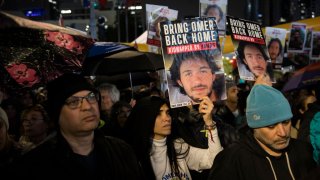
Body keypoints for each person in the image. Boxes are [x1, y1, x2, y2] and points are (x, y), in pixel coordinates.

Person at [9, 73, 144, 179]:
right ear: (57, 114)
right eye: (74, 102)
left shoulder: (122, 150)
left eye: (91, 97)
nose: (87, 106)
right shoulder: (34, 166)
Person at [208, 79, 317, 180]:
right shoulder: (231, 162)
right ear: (254, 126)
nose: (283, 133)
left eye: (286, 122)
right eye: (271, 126)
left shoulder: (305, 151)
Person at [123, 95, 223, 180]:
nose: (166, 118)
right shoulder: (134, 157)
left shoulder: (179, 146)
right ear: (145, 118)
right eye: (158, 113)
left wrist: (209, 122)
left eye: (167, 113)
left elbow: (214, 159)